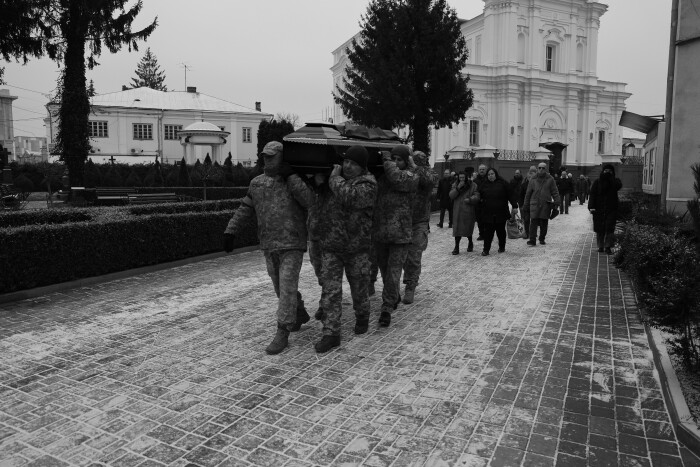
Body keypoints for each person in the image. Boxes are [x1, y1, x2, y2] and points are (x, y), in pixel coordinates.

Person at [224, 141, 315, 355]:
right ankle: (298, 312)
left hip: (292, 243)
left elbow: (310, 202)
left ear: (282, 157)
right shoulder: (256, 183)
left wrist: (292, 177)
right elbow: (245, 208)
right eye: (265, 156)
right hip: (268, 244)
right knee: (279, 288)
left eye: (272, 156)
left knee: (287, 287)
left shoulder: (294, 180)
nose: (268, 160)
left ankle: (283, 331)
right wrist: (230, 231)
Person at [314, 146, 378, 352]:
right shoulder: (335, 181)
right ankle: (331, 332)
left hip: (356, 248)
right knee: (330, 291)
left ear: (362, 167)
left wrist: (333, 178)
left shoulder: (368, 184)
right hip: (332, 246)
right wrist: (320, 184)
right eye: (346, 162)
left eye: (353, 163)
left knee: (359, 287)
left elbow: (349, 197)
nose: (347, 166)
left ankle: (362, 315)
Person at [373, 145, 419, 327]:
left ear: (407, 161)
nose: (395, 162)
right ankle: (393, 296)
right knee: (385, 271)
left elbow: (398, 179)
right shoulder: (383, 175)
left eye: (398, 159)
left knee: (393, 272)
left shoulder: (412, 176)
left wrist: (386, 160)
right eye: (393, 159)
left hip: (400, 235)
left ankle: (386, 308)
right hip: (381, 233)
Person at [402, 151, 438, 304]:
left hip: (419, 222)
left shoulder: (428, 173)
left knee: (414, 256)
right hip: (402, 221)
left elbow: (429, 181)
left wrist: (415, 167)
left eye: (420, 160)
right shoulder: (405, 173)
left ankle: (410, 286)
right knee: (400, 256)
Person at [477, 168, 517, 255]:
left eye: (492, 174)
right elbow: (478, 196)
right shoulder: (483, 185)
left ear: (496, 174)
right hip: (488, 213)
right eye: (489, 174)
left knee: (501, 232)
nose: (490, 176)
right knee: (488, 233)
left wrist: (514, 206)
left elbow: (511, 195)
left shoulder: (503, 183)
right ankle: (486, 250)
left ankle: (502, 247)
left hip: (501, 212)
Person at [588, 164, 623, 254]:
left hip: (611, 208)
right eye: (605, 171)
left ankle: (608, 246)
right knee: (600, 229)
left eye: (609, 171)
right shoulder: (597, 182)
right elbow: (592, 195)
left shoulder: (615, 181)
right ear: (602, 171)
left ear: (613, 172)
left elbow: (618, 186)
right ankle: (600, 246)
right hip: (598, 209)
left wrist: (611, 178)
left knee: (610, 228)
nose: (607, 173)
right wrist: (591, 206)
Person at [523, 162, 560, 246]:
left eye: (543, 168)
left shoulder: (550, 179)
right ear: (537, 168)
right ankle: (532, 240)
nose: (541, 169)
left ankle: (542, 238)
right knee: (533, 222)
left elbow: (555, 191)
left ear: (546, 169)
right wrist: (526, 204)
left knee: (544, 222)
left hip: (545, 204)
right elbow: (528, 193)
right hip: (534, 203)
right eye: (539, 168)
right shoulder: (533, 179)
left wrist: (557, 202)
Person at [449, 171, 480, 254]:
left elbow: (477, 196)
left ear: (466, 177)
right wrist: (458, 188)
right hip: (458, 211)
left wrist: (470, 200)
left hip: (468, 211)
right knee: (457, 230)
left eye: (463, 178)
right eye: (460, 178)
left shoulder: (473, 185)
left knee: (468, 229)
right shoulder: (455, 185)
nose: (462, 179)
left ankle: (470, 242)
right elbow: (451, 195)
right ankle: (456, 247)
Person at [519, 166, 537, 238]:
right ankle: (526, 233)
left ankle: (533, 233)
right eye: (529, 177)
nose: (530, 179)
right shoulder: (524, 185)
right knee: (526, 220)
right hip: (526, 205)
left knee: (534, 220)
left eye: (531, 177)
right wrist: (521, 205)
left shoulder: (537, 184)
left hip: (534, 205)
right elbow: (520, 196)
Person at [474, 164, 488, 240]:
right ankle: (481, 234)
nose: (482, 171)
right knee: (479, 220)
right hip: (478, 203)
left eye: (483, 169)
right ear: (478, 171)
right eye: (480, 169)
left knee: (487, 220)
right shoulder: (475, 181)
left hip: (487, 203)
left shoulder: (489, 179)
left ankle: (487, 234)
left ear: (486, 170)